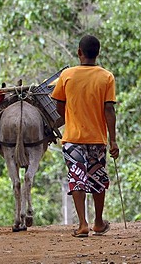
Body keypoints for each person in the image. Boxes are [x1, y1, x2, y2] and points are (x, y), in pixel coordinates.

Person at [51, 34, 120, 237]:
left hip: (72, 139)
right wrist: (113, 140)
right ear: (98, 53)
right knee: (98, 179)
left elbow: (58, 105)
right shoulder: (106, 77)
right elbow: (109, 110)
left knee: (77, 177)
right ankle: (98, 222)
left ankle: (82, 224)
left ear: (79, 52)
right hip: (97, 139)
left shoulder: (67, 76)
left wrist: (71, 118)